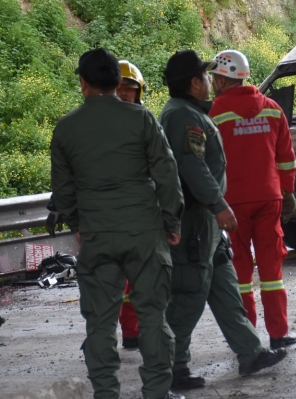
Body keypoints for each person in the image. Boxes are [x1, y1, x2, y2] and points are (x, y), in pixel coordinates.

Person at [51, 48, 185, 399]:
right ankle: (157, 391)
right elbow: (167, 175)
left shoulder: (66, 128)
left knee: (99, 322)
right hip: (145, 233)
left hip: (97, 236)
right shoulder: (142, 119)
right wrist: (171, 221)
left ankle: (106, 393)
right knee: (153, 316)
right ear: (117, 81)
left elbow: (63, 191)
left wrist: (79, 225)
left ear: (83, 83)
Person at [159, 49, 287, 390]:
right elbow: (192, 166)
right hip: (197, 220)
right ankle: (171, 368)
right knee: (188, 296)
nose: (209, 81)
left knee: (226, 288)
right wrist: (219, 205)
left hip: (208, 222)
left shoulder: (194, 112)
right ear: (193, 83)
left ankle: (251, 352)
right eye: (204, 76)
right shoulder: (183, 116)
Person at [208, 49, 296, 350]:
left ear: (224, 79)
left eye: (215, 77)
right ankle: (279, 334)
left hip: (231, 204)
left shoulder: (215, 113)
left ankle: (249, 339)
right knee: (272, 271)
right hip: (268, 198)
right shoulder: (273, 109)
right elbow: (286, 157)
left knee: (240, 274)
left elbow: (206, 161)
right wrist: (287, 191)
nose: (212, 81)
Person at [116, 59, 147, 349]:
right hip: (108, 214)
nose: (125, 93)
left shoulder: (145, 123)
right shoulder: (96, 124)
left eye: (130, 88)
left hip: (138, 212)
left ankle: (132, 332)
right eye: (120, 88)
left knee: (137, 278)